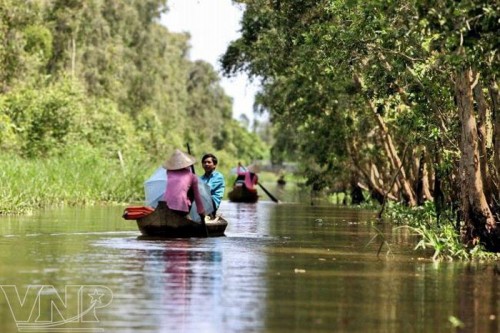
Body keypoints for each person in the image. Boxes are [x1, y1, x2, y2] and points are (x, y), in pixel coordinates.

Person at [163, 149, 205, 221]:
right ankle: (186, 215)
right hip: (181, 208)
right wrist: (201, 212)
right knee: (192, 192)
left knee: (186, 189)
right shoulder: (192, 176)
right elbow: (197, 196)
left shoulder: (169, 172)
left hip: (165, 206)